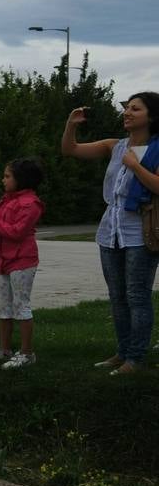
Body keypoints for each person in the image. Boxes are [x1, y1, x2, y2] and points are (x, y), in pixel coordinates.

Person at [61, 93, 159, 375]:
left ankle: (136, 358)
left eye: (135, 109)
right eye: (126, 107)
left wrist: (135, 166)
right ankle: (122, 352)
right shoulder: (115, 146)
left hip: (140, 232)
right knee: (117, 296)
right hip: (110, 231)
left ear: (151, 116)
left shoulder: (156, 148)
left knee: (137, 296)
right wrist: (71, 124)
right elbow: (71, 150)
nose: (127, 112)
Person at [0, 159, 45, 369]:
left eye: (7, 176)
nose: (3, 180)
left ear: (21, 179)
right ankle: (4, 348)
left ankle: (26, 353)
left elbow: (16, 232)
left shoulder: (31, 204)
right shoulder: (6, 200)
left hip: (23, 260)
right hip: (3, 259)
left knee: (21, 306)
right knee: (4, 307)